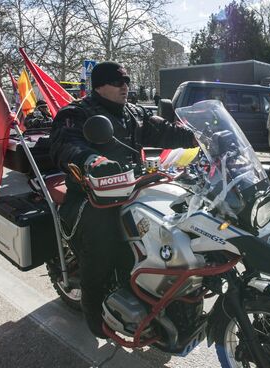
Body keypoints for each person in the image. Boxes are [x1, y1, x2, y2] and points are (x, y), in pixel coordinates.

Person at [50, 61, 196, 338]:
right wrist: (91, 159)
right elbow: (65, 144)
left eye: (127, 82)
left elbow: (165, 130)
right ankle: (94, 316)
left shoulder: (134, 112)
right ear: (99, 86)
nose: (125, 87)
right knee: (102, 244)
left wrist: (199, 137)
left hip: (132, 189)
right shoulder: (75, 113)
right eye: (119, 83)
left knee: (171, 224)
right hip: (91, 196)